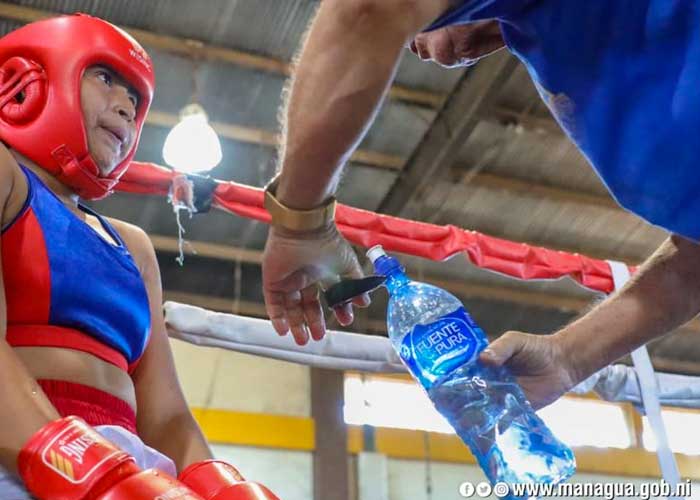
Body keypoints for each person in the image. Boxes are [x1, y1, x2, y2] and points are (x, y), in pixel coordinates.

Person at [261, 0, 700, 410]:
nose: (414, 44)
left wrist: (300, 222)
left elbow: (369, 9)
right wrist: (568, 357)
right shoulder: (557, 32)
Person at [0, 14, 278, 499]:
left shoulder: (133, 245)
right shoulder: (6, 180)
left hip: (121, 465)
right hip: (21, 454)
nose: (127, 107)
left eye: (135, 98)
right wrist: (82, 469)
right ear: (26, 82)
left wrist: (217, 486)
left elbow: (166, 413)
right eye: (105, 78)